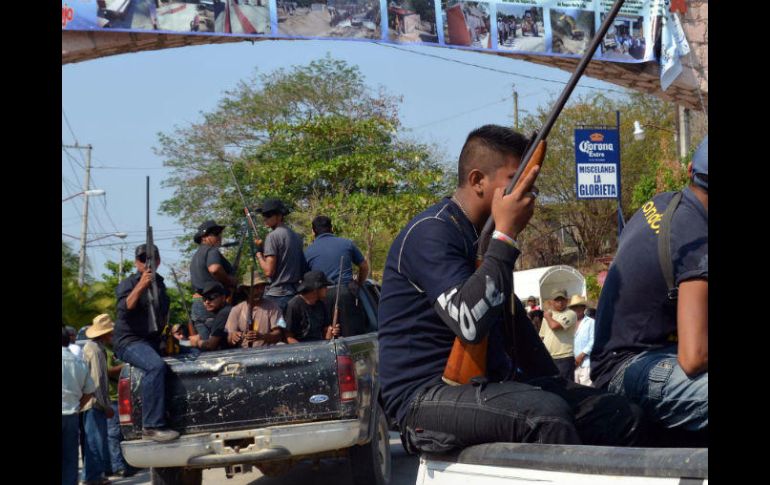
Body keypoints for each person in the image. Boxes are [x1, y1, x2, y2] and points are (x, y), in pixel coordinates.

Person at [378, 124, 643, 453]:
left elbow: (512, 322)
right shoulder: (430, 232)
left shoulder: (480, 237)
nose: (528, 193)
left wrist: (558, 384)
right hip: (423, 397)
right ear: (478, 181)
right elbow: (469, 324)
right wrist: (505, 236)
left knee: (621, 414)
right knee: (545, 417)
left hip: (488, 387)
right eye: (516, 180)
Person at [591, 136, 708, 435]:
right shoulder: (697, 241)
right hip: (626, 370)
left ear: (690, 170)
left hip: (616, 356)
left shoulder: (664, 203)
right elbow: (694, 358)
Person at [113, 244, 179, 442]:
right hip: (129, 341)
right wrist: (142, 284)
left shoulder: (160, 284)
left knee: (189, 355)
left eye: (151, 259)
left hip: (152, 340)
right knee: (155, 366)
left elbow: (161, 316)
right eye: (143, 259)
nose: (147, 263)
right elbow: (125, 308)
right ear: (136, 262)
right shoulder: (128, 283)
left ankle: (171, 415)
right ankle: (151, 425)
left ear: (158, 261)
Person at [305, 215, 370, 336]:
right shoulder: (347, 244)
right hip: (346, 293)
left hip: (322, 298)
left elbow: (305, 279)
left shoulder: (308, 251)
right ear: (332, 228)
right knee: (352, 337)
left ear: (313, 231)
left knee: (325, 336)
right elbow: (364, 266)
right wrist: (359, 283)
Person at [80, 314, 117, 485]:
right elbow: (96, 382)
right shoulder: (94, 350)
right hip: (94, 403)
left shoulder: (95, 348)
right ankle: (92, 477)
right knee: (94, 442)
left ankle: (93, 476)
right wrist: (105, 405)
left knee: (94, 442)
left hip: (93, 402)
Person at [256, 199, 307, 314]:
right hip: (295, 294)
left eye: (269, 215)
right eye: (264, 215)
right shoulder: (296, 236)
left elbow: (268, 271)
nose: (265, 219)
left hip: (277, 296)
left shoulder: (272, 236)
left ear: (279, 216)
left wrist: (259, 255)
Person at [190, 220, 237, 335]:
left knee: (205, 344)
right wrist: (230, 281)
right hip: (212, 305)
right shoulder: (211, 250)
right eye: (215, 234)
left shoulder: (196, 256)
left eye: (219, 233)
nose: (219, 237)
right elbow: (214, 269)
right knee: (217, 343)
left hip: (198, 304)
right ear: (204, 237)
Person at [63, 327, 95, 485]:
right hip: (71, 414)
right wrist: (78, 406)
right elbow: (89, 390)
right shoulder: (77, 361)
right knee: (70, 459)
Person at [226, 271, 287, 348]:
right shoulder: (236, 310)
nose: (260, 291)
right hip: (244, 352)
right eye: (256, 288)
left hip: (267, 351)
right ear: (246, 290)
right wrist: (234, 336)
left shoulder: (273, 307)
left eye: (262, 287)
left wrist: (262, 336)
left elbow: (279, 334)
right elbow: (229, 338)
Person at [104, 339, 137, 478]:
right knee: (114, 433)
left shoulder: (118, 349)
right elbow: (108, 371)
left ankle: (128, 464)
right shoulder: (106, 351)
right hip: (113, 396)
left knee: (126, 432)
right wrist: (124, 366)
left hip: (125, 395)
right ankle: (118, 466)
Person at [285, 270, 341, 343]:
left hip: (320, 345)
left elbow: (325, 329)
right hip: (301, 347)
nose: (327, 289)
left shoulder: (321, 304)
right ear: (315, 289)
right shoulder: (294, 306)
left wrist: (332, 331)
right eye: (324, 287)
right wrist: (303, 349)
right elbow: (289, 337)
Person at [539, 289, 578, 380]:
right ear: (551, 301)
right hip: (549, 357)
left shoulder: (570, 313)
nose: (560, 302)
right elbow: (542, 336)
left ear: (567, 301)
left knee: (565, 385)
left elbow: (554, 326)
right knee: (552, 385)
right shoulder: (548, 315)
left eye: (562, 299)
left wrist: (547, 316)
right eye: (557, 300)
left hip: (564, 357)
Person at [188, 281, 231, 351]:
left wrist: (196, 342)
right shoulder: (225, 310)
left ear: (223, 298)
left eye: (211, 297)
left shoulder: (223, 314)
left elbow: (211, 345)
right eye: (204, 299)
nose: (207, 302)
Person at [569, 295, 595, 386]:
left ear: (584, 307)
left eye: (579, 306)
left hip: (586, 363)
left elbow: (593, 341)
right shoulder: (568, 324)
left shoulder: (591, 322)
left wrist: (581, 355)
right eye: (574, 307)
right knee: (574, 390)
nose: (577, 309)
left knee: (587, 390)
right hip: (572, 364)